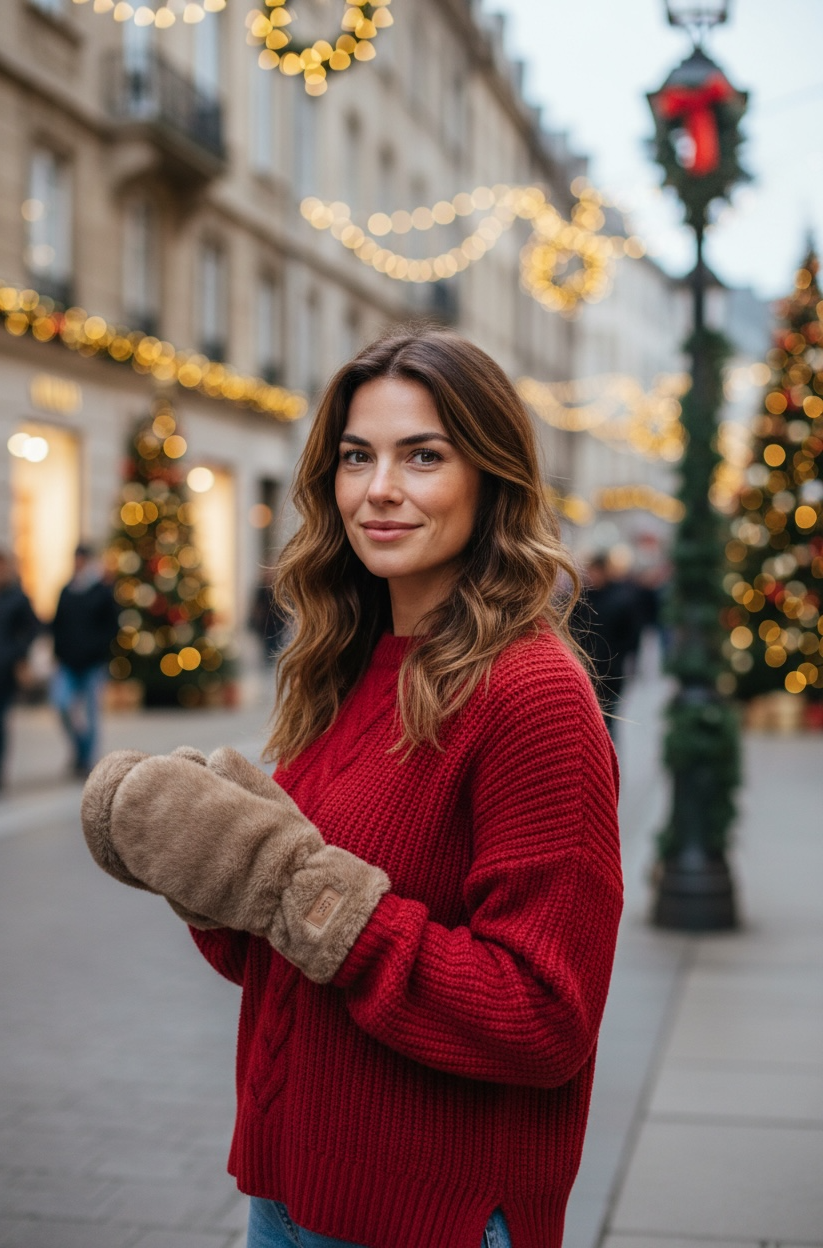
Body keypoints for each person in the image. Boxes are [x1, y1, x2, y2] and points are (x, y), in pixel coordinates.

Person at [80, 329, 623, 1248]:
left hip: (427, 1214)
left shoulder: (532, 694)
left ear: (492, 478)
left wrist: (298, 887)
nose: (380, 488)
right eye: (356, 457)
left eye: (424, 457)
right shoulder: (348, 663)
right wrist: (207, 871)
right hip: (286, 1193)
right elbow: (278, 953)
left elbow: (543, 1016)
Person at [51, 544, 120, 777]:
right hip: (67, 662)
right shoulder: (67, 590)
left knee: (91, 714)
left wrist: (98, 648)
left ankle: (87, 759)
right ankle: (79, 749)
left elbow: (112, 626)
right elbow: (57, 623)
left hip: (92, 663)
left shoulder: (101, 591)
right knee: (62, 704)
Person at [571, 553, 642, 738]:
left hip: (610, 672)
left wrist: (622, 658)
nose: (591, 576)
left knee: (607, 723)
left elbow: (631, 635)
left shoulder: (621, 599)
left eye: (594, 571)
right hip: (585, 668)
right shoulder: (580, 598)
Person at [0, 550, 40, 791]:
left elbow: (33, 627)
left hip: (4, 670)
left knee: (0, 721)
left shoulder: (16, 597)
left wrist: (18, 652)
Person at [249, 567, 287, 663]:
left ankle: (272, 662)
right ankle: (268, 662)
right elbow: (256, 606)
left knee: (275, 645)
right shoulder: (261, 589)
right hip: (264, 624)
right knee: (267, 646)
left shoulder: (277, 589)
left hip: (276, 624)